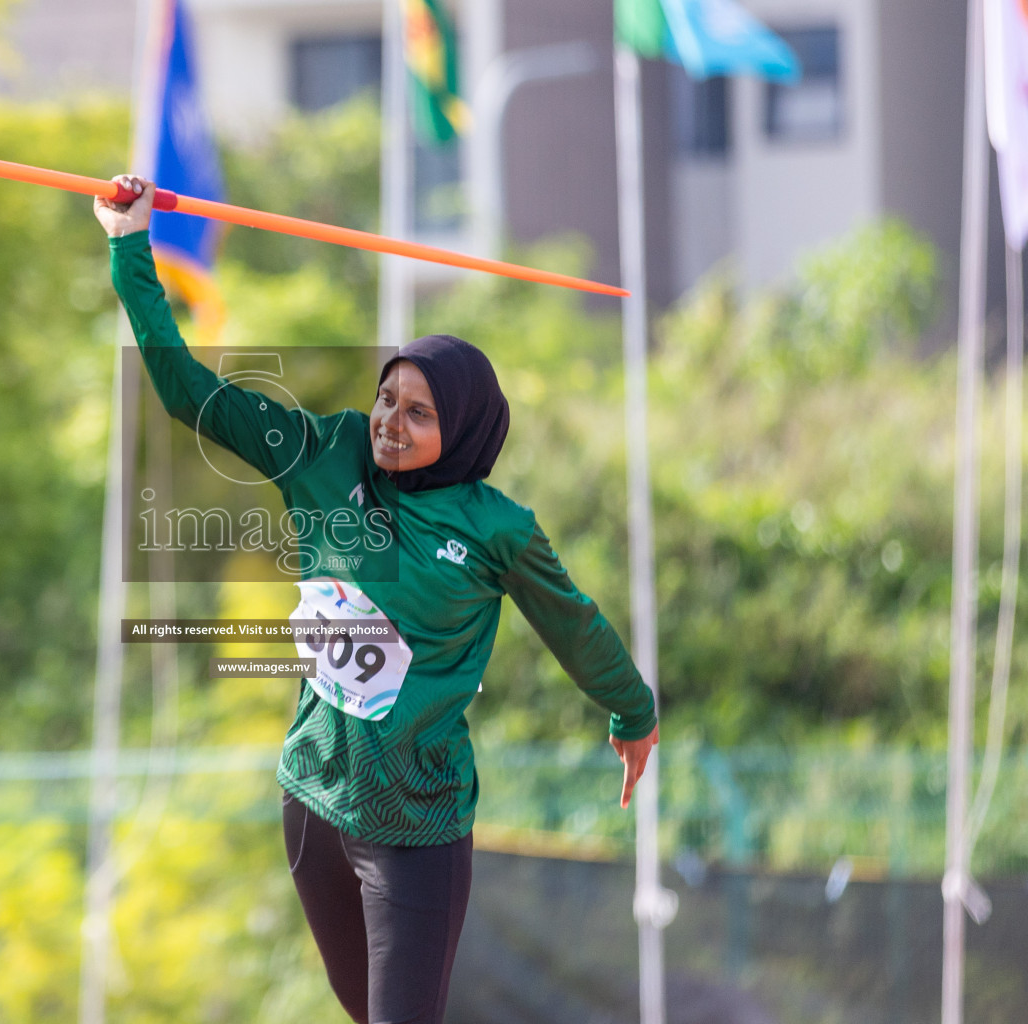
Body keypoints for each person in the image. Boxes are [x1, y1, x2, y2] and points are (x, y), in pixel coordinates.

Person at [96, 176, 658, 1024]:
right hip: (313, 798)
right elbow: (185, 392)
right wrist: (128, 246)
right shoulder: (323, 453)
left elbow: (572, 624)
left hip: (416, 827)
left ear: (464, 431)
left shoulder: (496, 528)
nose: (391, 421)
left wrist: (633, 712)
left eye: (420, 413)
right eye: (387, 397)